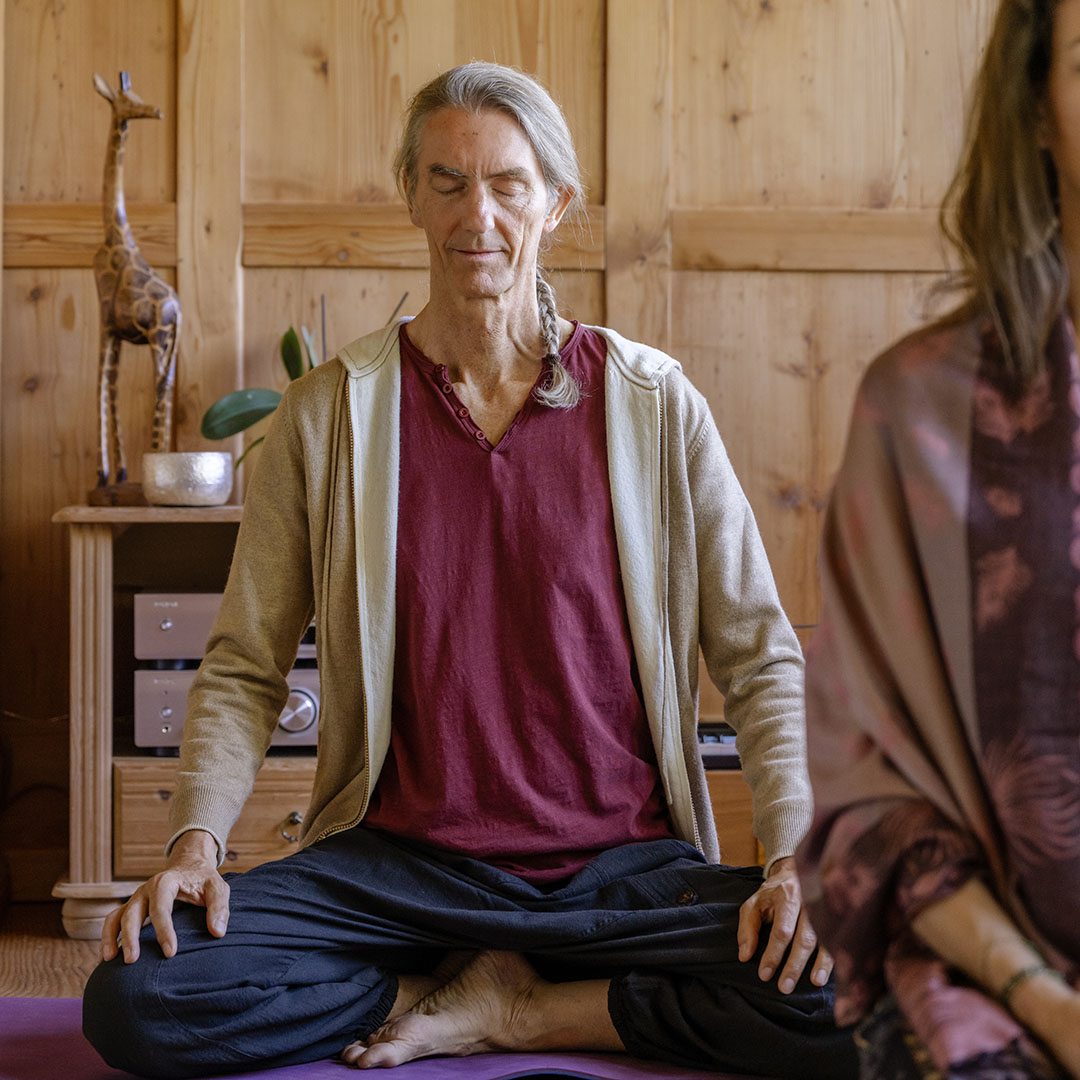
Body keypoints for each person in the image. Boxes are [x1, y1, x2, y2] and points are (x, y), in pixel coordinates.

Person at [83, 62, 855, 1079]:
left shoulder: (656, 406)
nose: (475, 215)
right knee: (138, 995)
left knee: (879, 974)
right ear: (411, 193)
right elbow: (243, 667)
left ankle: (531, 1010)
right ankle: (441, 987)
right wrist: (195, 847)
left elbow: (760, 657)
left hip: (618, 875)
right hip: (396, 875)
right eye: (446, 181)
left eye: (507, 185)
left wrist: (795, 856)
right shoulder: (328, 415)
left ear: (556, 203)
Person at [796, 2, 1080, 1077]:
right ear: (1037, 112)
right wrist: (1050, 1006)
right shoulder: (916, 410)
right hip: (1004, 988)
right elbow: (865, 799)